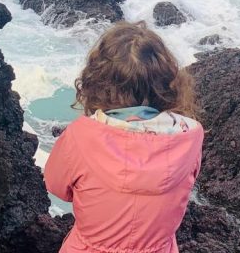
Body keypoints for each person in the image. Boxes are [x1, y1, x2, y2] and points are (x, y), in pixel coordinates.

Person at [44, 21, 204, 253]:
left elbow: (57, 186)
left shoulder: (80, 135)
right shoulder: (190, 135)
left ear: (97, 81)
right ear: (168, 82)